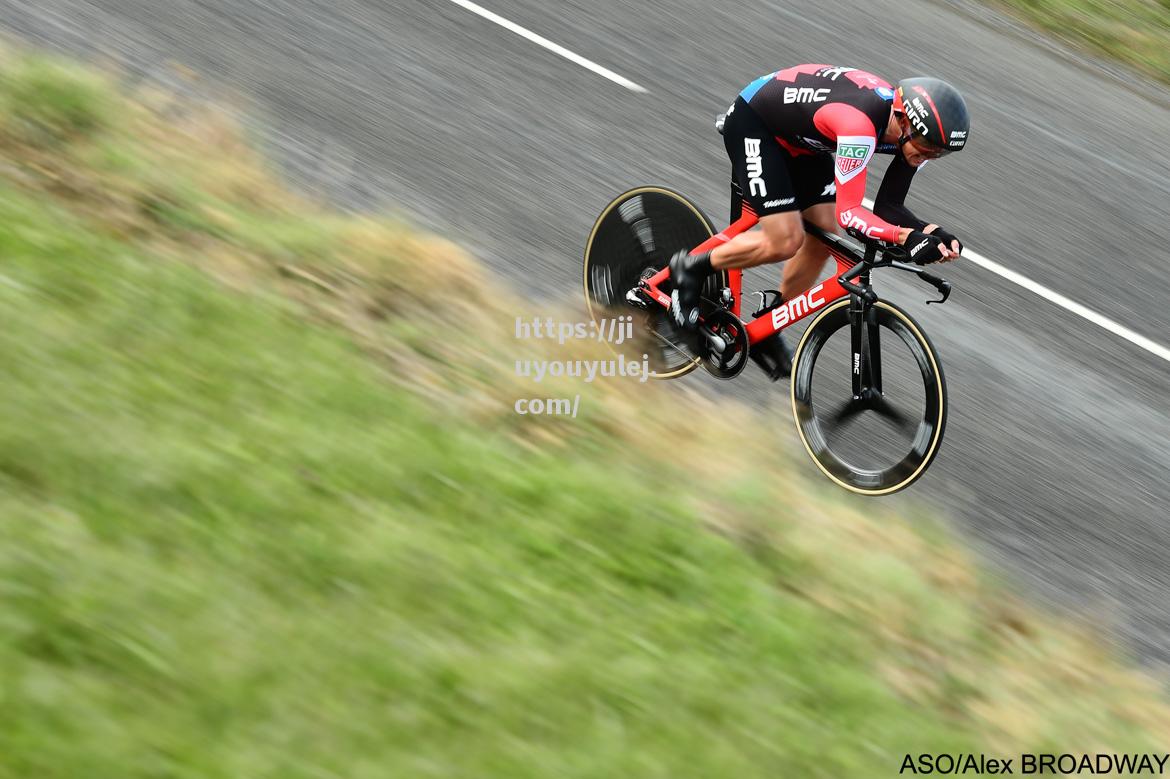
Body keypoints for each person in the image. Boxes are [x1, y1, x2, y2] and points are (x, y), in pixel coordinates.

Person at [669, 64, 969, 379]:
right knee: (785, 239)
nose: (929, 156)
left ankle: (769, 324)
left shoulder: (911, 137)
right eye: (927, 147)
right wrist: (905, 237)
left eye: (940, 153)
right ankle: (689, 270)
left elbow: (888, 207)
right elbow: (851, 214)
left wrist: (932, 233)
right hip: (756, 123)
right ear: (903, 120)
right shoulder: (860, 125)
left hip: (803, 141)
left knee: (823, 235)